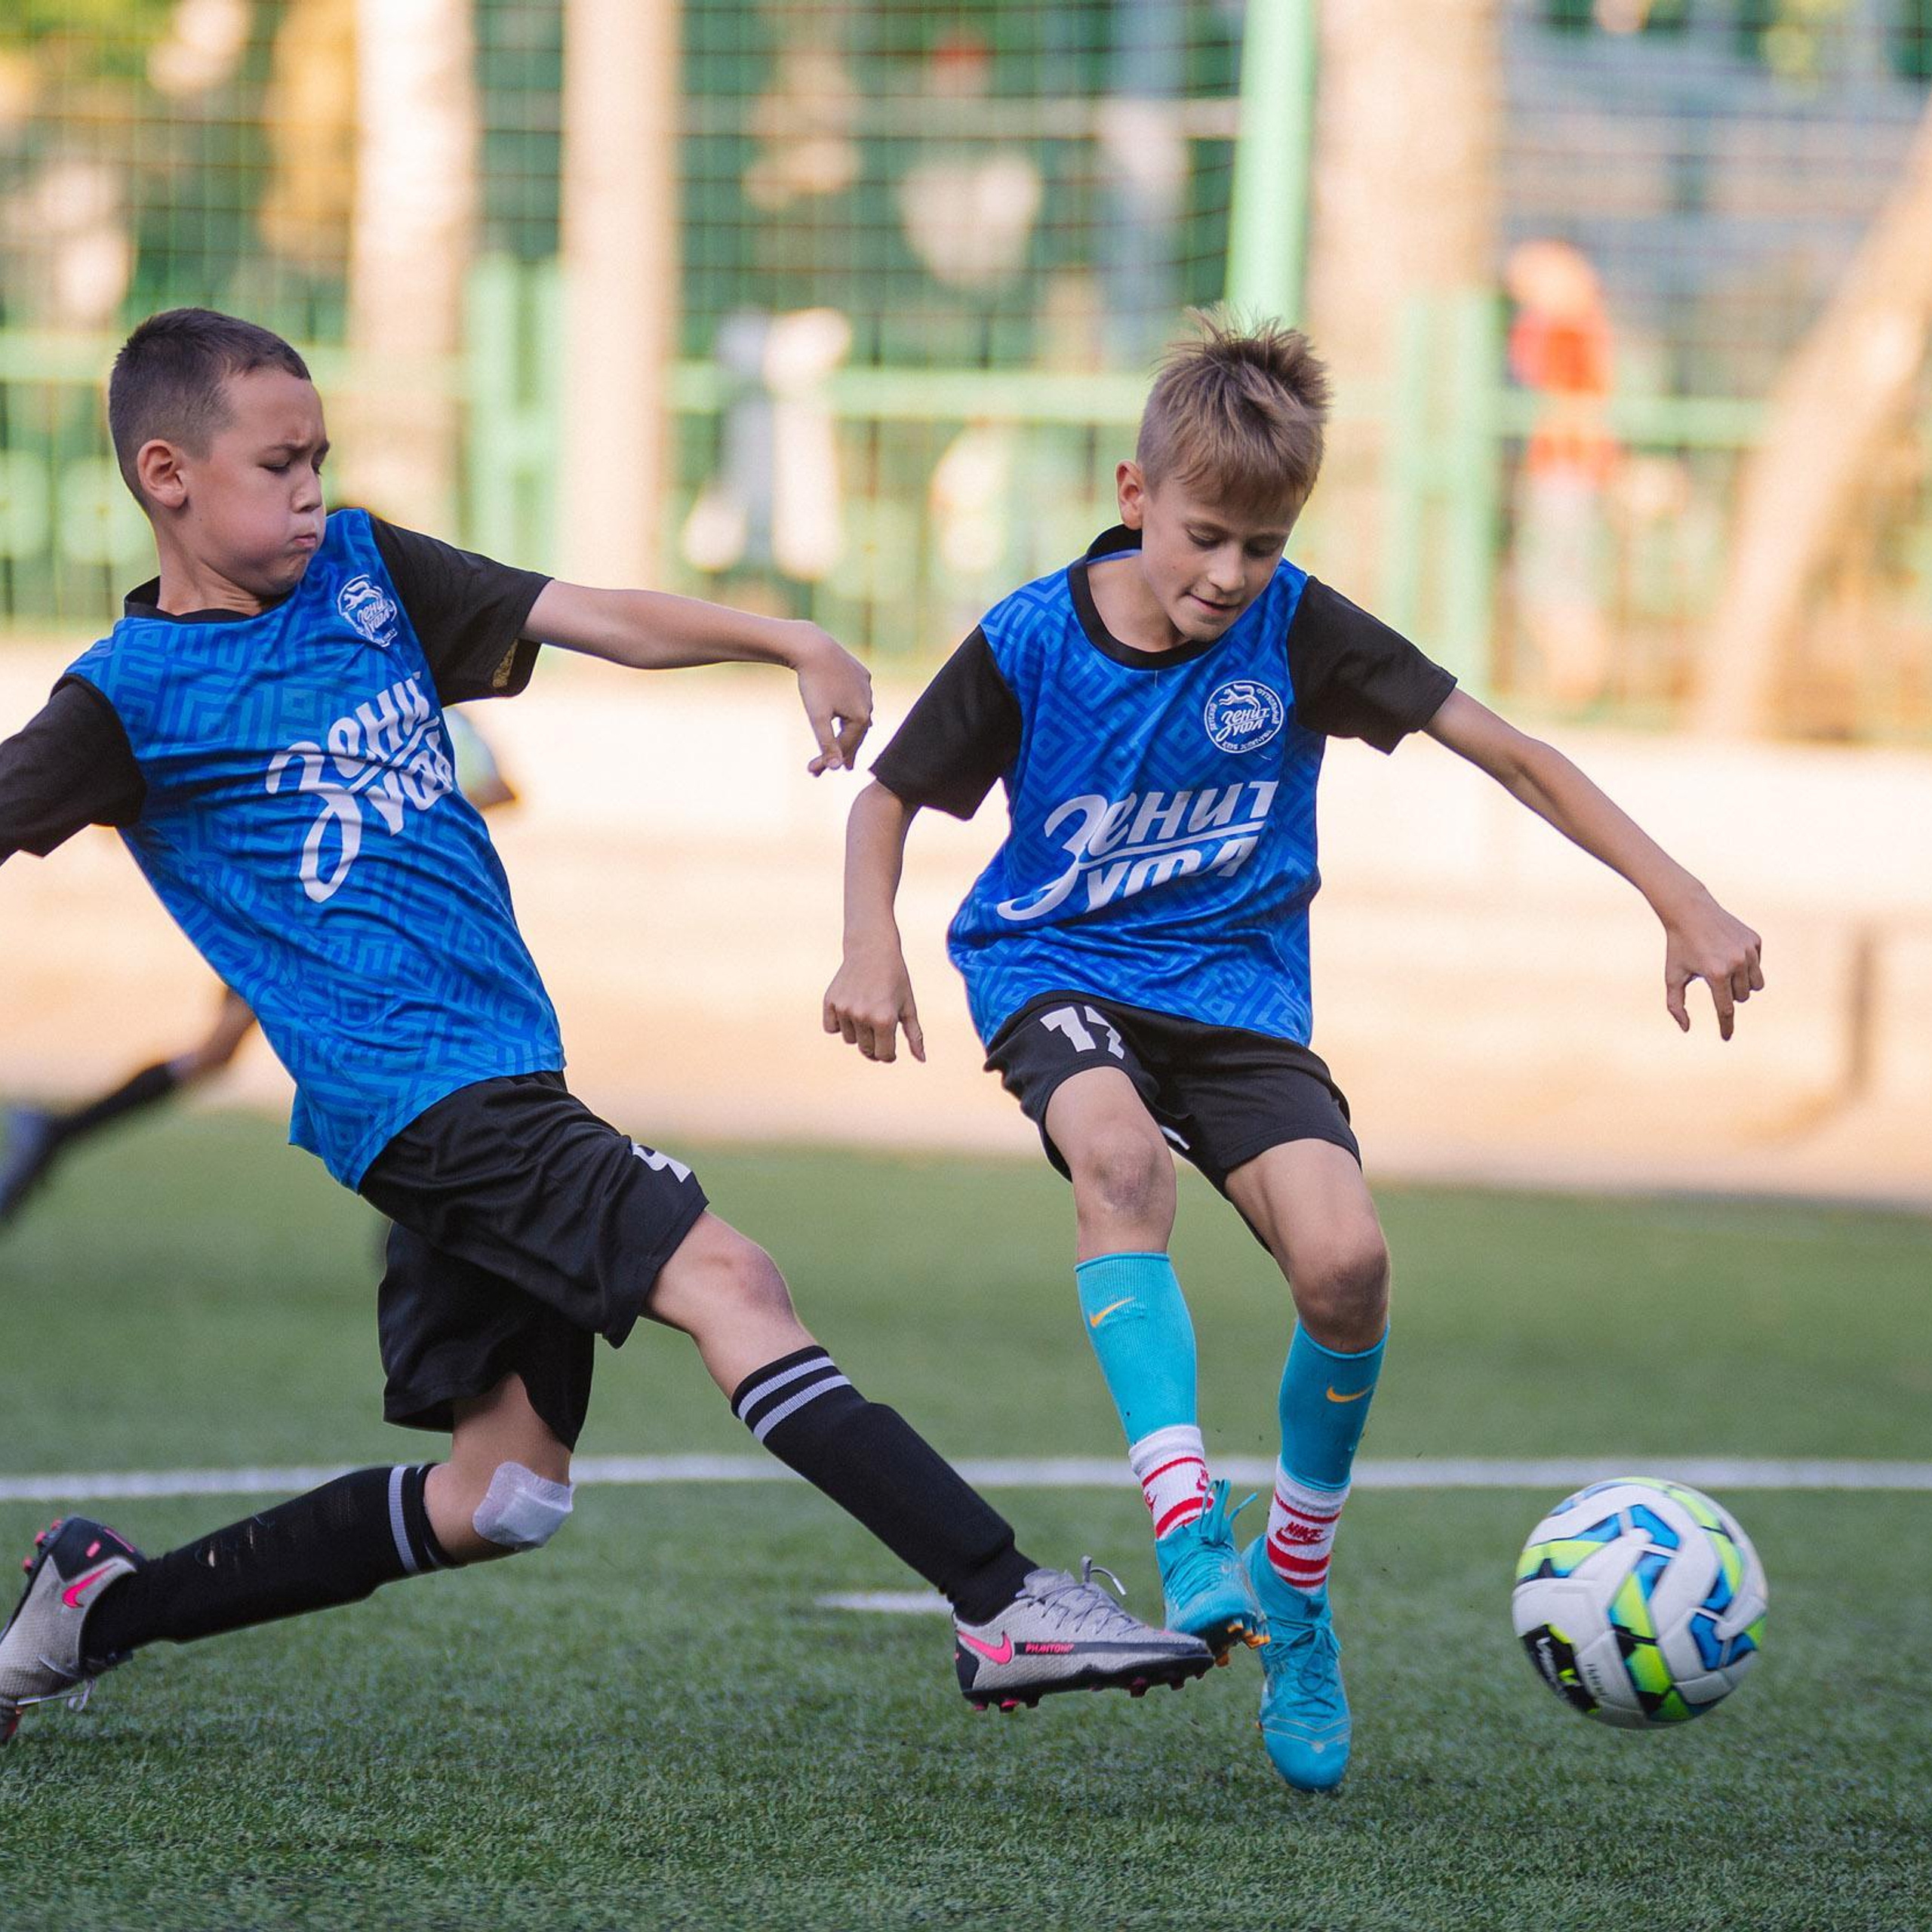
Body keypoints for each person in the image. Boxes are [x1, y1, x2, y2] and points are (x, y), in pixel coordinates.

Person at [0, 308, 1211, 1745]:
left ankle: (94, 1610)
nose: (313, 491)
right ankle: (1003, 1600)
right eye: (279, 467)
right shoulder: (126, 701)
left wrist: (786, 637)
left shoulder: (366, 573)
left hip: (496, 1081)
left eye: (320, 457)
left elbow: (597, 617)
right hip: (427, 1103)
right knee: (735, 1282)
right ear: (167, 474)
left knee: (501, 1494)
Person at [823, 314, 1764, 1792]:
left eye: (1261, 547)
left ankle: (1297, 1584)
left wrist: (1682, 896)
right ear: (1134, 494)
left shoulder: (1302, 630)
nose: (1227, 575)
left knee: (1347, 1265)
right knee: (1120, 1162)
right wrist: (867, 943)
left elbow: (1513, 753)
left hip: (1239, 1001)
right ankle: (1188, 1527)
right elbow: (887, 797)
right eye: (1204, 537)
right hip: (1053, 969)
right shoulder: (1030, 637)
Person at [0, 710, 513, 1226]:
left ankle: (58, 1133)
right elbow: (498, 790)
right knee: (380, 1053)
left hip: (331, 909)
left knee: (228, 1053)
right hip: (323, 916)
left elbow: (501, 790)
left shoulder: (400, 712)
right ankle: (429, 1211)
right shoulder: (421, 717)